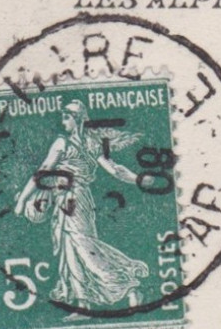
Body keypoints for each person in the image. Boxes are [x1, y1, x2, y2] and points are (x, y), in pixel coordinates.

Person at [13, 100, 149, 309]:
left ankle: (128, 286)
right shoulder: (90, 144)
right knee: (71, 248)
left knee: (84, 246)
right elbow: (115, 169)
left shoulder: (64, 143)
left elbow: (44, 170)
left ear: (76, 120)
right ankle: (83, 304)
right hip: (71, 200)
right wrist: (137, 179)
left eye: (66, 117)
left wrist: (22, 199)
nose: (63, 122)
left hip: (73, 200)